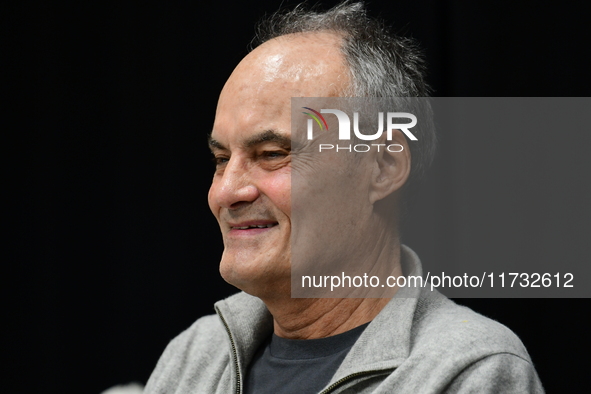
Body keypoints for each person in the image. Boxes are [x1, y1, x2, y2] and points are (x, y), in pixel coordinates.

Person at [145, 2, 544, 393]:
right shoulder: (194, 354)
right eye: (221, 158)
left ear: (383, 168)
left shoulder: (466, 371)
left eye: (272, 155)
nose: (226, 192)